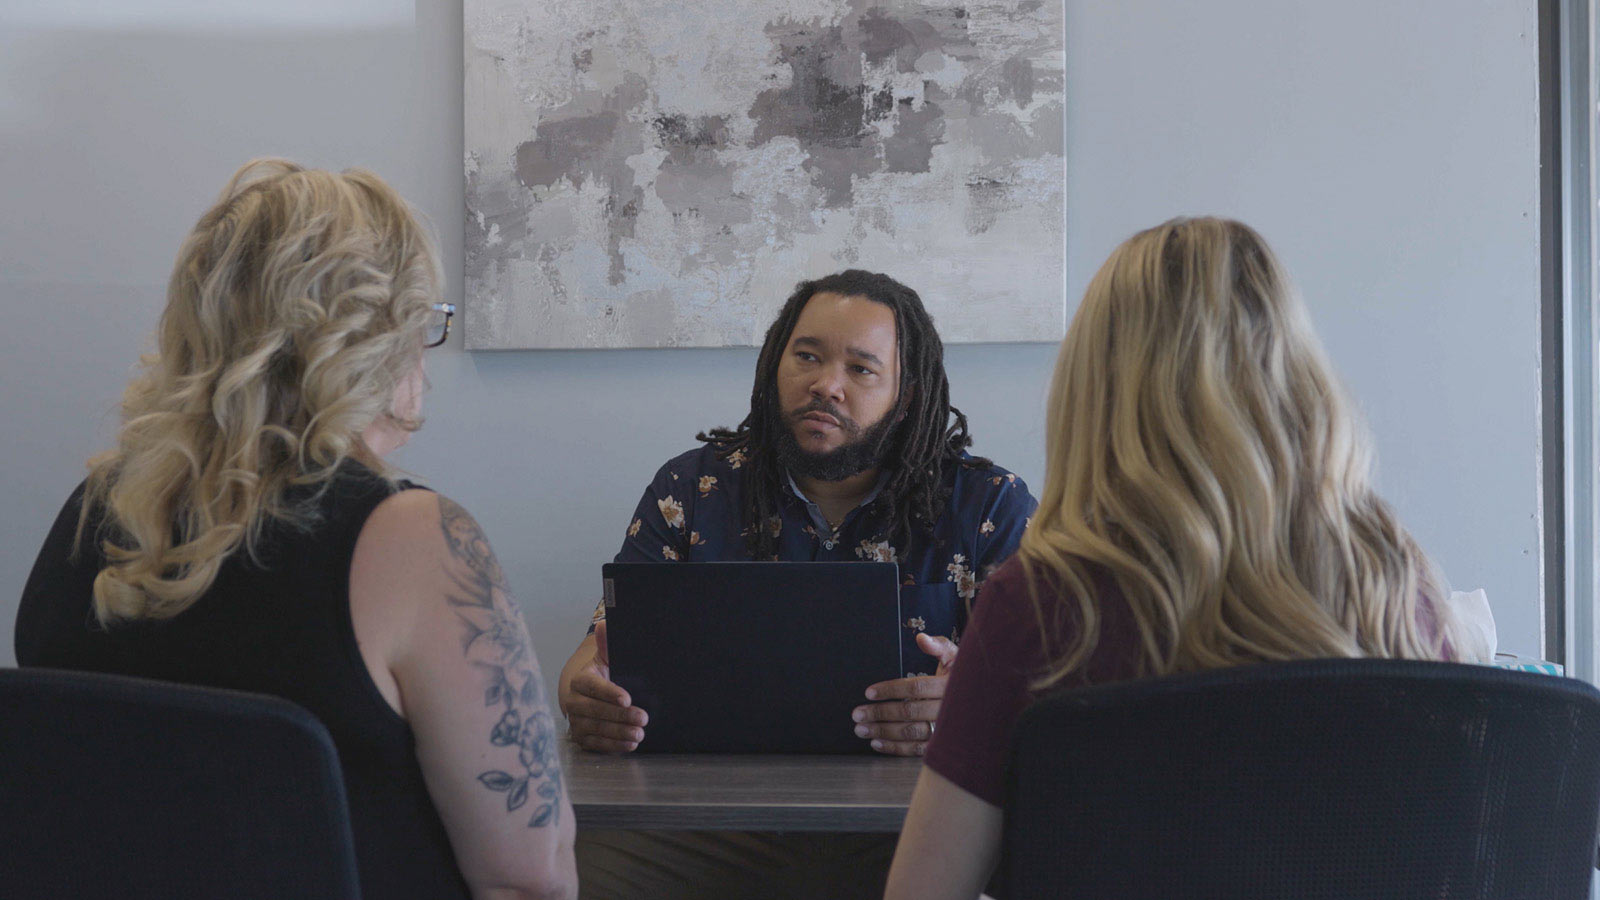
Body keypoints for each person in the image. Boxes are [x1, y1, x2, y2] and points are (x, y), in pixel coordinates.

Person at [15, 159, 577, 900]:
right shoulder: (414, 541)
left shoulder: (91, 511)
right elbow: (530, 879)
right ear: (378, 336)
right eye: (425, 321)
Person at [882, 217, 1465, 900]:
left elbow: (923, 893)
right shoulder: (1399, 585)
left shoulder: (1041, 605)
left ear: (1095, 386)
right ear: (1294, 368)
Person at [559, 270, 1037, 898]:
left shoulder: (987, 504)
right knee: (559, 874)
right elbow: (586, 666)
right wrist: (587, 702)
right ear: (773, 363)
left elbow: (1052, 700)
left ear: (908, 393)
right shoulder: (692, 487)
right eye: (806, 356)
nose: (826, 385)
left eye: (862, 369)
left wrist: (967, 707)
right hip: (702, 822)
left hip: (915, 822)